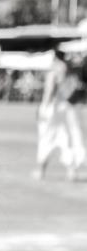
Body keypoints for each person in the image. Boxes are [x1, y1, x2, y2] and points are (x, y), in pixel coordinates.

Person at [34, 50, 86, 180]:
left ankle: (40, 171)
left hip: (52, 108)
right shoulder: (68, 70)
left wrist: (43, 108)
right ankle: (71, 171)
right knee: (65, 139)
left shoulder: (54, 71)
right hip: (65, 107)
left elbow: (49, 91)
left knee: (46, 138)